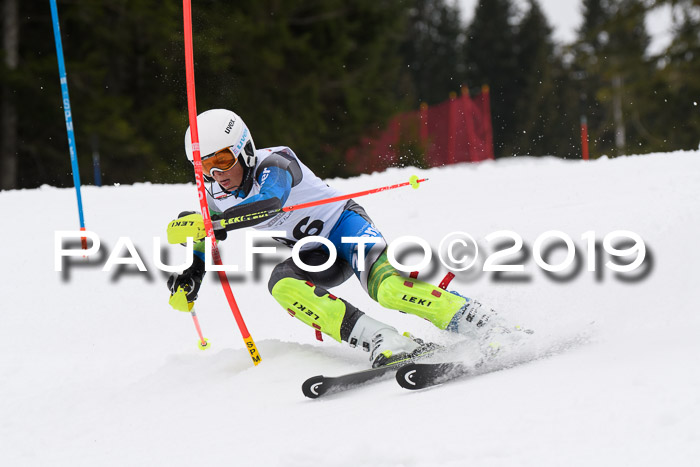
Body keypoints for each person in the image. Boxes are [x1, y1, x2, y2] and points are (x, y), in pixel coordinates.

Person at [167, 109, 510, 367]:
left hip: (347, 228)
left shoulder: (276, 162)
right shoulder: (216, 195)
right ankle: (382, 339)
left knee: (387, 289)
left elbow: (270, 202)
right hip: (315, 255)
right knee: (282, 284)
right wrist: (193, 269)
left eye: (223, 160)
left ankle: (476, 320)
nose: (216, 175)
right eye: (203, 166)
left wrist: (218, 224)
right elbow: (196, 222)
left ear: (244, 148)